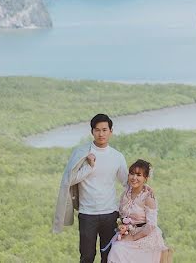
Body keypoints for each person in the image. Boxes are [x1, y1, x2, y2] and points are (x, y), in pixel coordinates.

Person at [53, 113, 128, 263]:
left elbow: (126, 183)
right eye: (97, 130)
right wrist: (89, 167)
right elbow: (69, 180)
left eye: (105, 130)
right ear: (92, 131)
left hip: (110, 213)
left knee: (109, 256)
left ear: (111, 131)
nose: (101, 134)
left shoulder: (117, 156)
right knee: (87, 257)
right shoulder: (81, 153)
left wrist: (143, 195)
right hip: (88, 214)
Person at [106, 159, 170, 263]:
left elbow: (151, 225)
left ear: (145, 178)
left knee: (118, 250)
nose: (134, 177)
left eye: (138, 175)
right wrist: (123, 229)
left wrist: (133, 237)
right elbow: (122, 217)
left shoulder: (148, 198)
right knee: (116, 248)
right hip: (128, 233)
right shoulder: (125, 195)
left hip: (145, 236)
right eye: (131, 174)